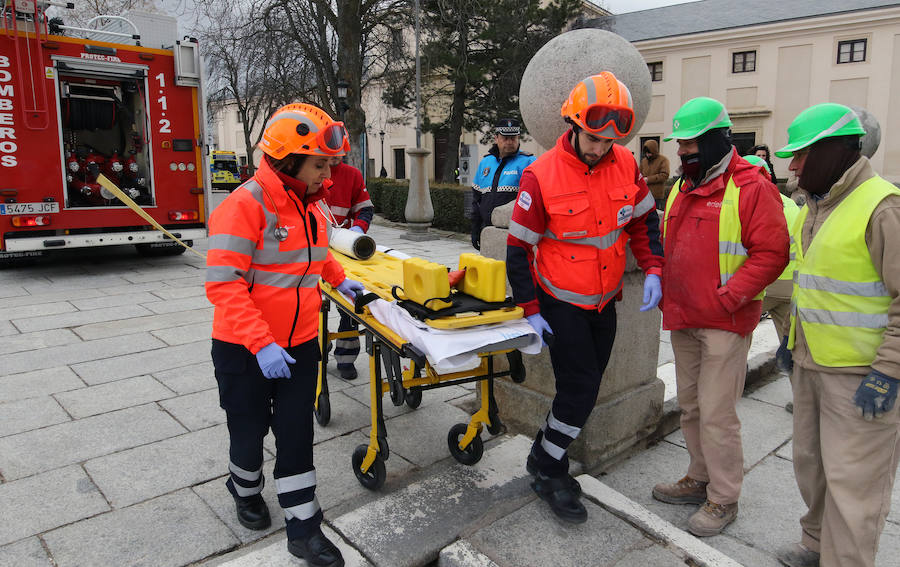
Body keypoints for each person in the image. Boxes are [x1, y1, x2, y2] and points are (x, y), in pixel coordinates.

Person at [205, 103, 364, 567]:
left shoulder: (312, 207)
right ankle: (245, 489)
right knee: (248, 429)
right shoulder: (244, 206)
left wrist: (338, 278)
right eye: (320, 164)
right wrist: (261, 342)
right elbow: (224, 285)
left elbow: (314, 258)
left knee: (296, 434)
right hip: (244, 348)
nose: (328, 175)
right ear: (288, 160)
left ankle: (303, 526)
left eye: (330, 164)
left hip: (297, 346)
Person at [506, 72, 664, 523]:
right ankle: (548, 466)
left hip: (605, 301)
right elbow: (518, 250)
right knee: (579, 391)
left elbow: (643, 223)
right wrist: (531, 309)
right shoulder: (540, 176)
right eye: (593, 138)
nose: (600, 148)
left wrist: (653, 268)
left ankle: (544, 452)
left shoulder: (626, 165)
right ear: (573, 124)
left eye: (609, 141)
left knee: (586, 389)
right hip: (560, 303)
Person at [652, 97, 788, 537]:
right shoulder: (682, 186)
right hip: (684, 316)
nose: (682, 153)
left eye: (690, 145)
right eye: (680, 145)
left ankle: (723, 497)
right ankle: (698, 477)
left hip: (725, 322)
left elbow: (772, 253)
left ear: (715, 141)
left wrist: (731, 296)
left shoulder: (751, 186)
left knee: (716, 411)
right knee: (691, 405)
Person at [775, 103, 900, 567]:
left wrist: (888, 372)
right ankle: (815, 546)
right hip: (812, 362)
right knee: (813, 467)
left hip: (861, 375)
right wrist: (793, 348)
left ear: (832, 152)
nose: (792, 166)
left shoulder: (883, 207)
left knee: (854, 488)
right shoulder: (822, 201)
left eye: (801, 155)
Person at [743, 154, 800, 371]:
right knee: (791, 343)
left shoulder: (752, 202)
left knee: (740, 333)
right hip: (791, 284)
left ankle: (735, 380)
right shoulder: (790, 203)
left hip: (766, 284)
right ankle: (799, 399)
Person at [324, 156, 374, 380]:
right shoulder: (310, 170)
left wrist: (358, 228)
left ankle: (346, 357)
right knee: (315, 306)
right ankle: (318, 350)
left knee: (350, 303)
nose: (334, 158)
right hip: (315, 247)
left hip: (344, 247)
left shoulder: (352, 174)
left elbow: (364, 209)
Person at [470, 118, 536, 250]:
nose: (510, 142)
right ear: (496, 138)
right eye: (505, 138)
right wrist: (475, 229)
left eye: (513, 138)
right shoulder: (485, 163)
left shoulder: (529, 162)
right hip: (488, 231)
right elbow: (476, 201)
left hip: (516, 234)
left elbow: (534, 201)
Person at [639, 139, 671, 210]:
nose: (648, 155)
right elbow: (639, 173)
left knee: (655, 214)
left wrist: (648, 179)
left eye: (649, 153)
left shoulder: (663, 160)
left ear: (654, 151)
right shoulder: (644, 161)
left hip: (656, 195)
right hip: (645, 194)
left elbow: (665, 175)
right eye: (646, 153)